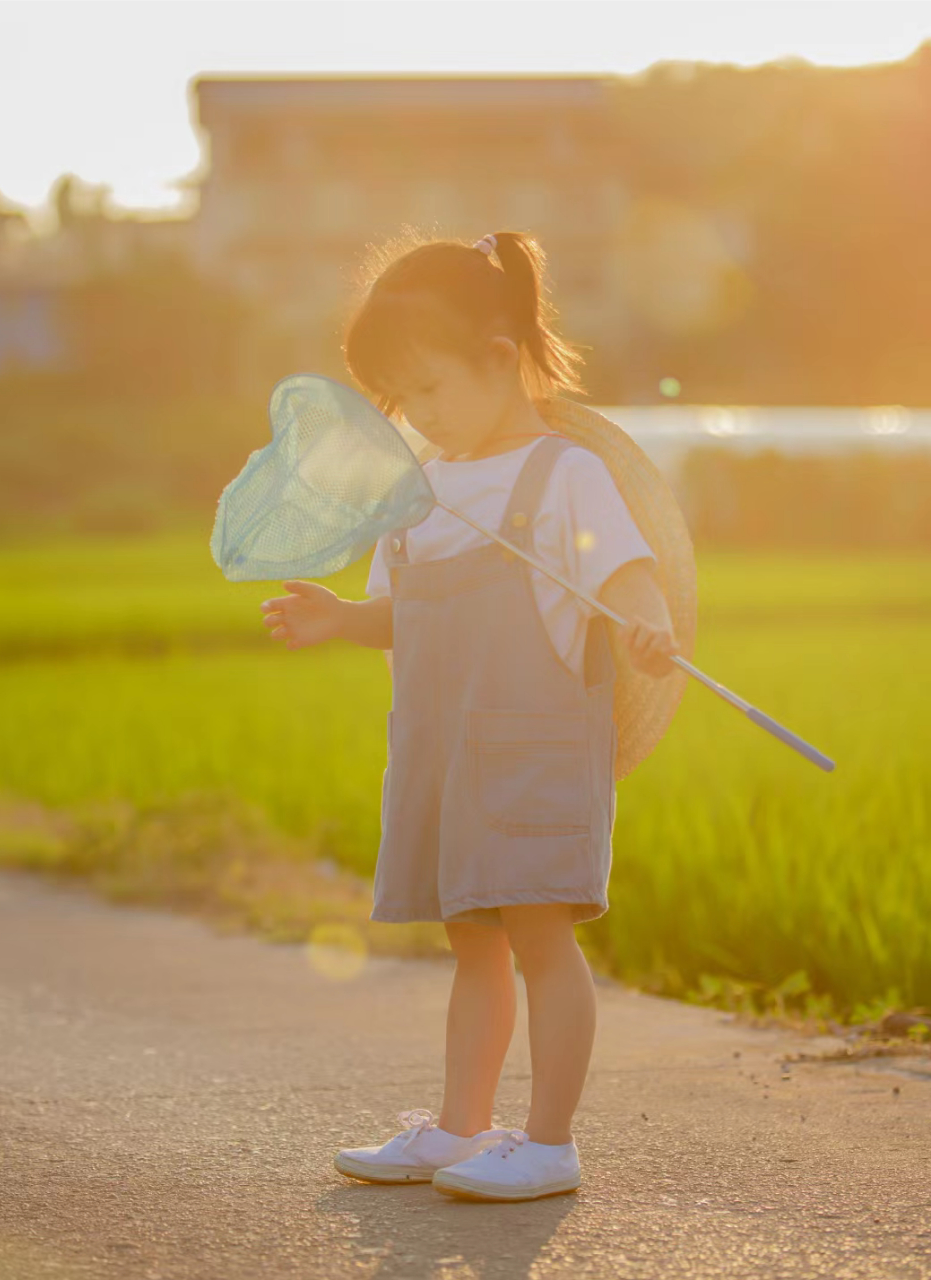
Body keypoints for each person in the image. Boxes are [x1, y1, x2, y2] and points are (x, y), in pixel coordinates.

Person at [259, 230, 682, 1203]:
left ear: (498, 359)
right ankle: (461, 1124)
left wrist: (649, 627)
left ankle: (549, 1141)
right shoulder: (421, 492)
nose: (419, 417)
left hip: (529, 752)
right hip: (443, 754)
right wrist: (338, 620)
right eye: (401, 402)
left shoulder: (561, 474)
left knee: (539, 934)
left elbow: (626, 573)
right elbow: (403, 612)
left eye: (431, 389)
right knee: (471, 943)